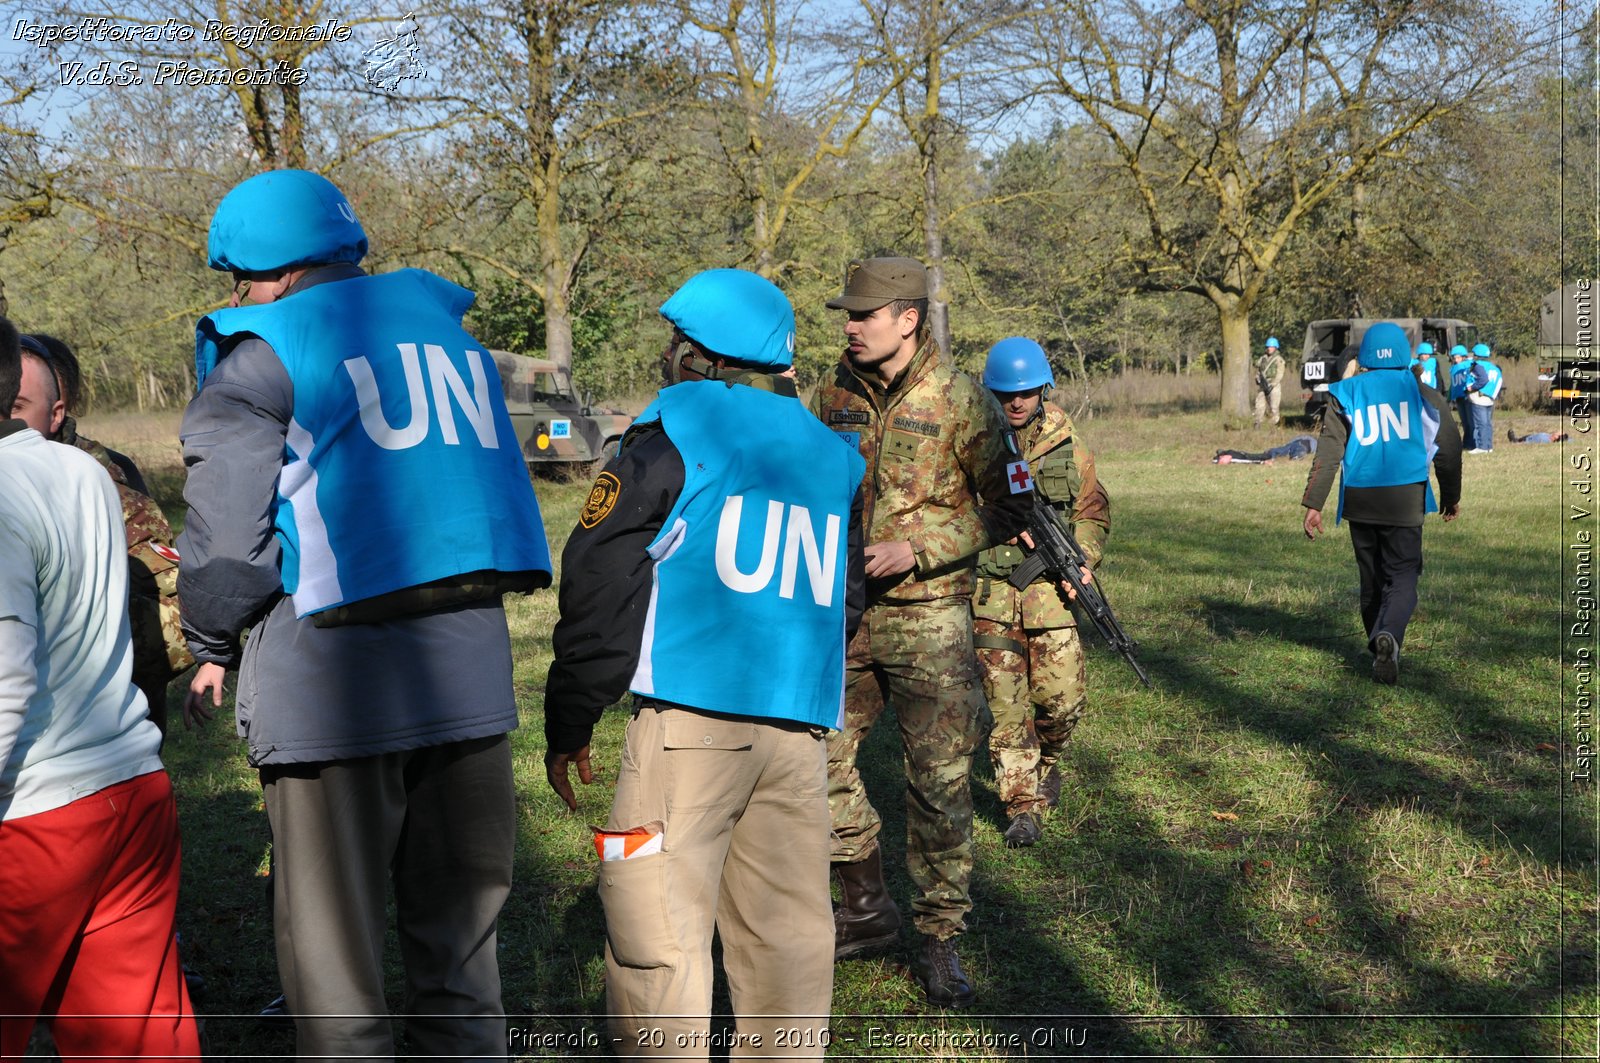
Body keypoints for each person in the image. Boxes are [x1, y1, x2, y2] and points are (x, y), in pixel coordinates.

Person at [178, 169, 552, 1059]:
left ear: (263, 274)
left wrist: (207, 640)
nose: (239, 299)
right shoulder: (449, 338)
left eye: (239, 281)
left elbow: (228, 544)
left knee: (335, 969)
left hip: (331, 694)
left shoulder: (261, 352)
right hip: (468, 681)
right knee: (462, 957)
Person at [544, 268, 866, 1060]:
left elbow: (598, 577)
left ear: (700, 355)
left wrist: (571, 714)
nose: (667, 354)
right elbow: (847, 598)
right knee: (789, 944)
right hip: (799, 736)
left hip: (687, 728)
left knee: (657, 943)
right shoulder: (837, 455)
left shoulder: (674, 430)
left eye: (676, 342)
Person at [809, 256, 1033, 1008]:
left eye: (862, 314)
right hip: (841, 611)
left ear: (908, 318)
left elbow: (1008, 509)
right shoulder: (831, 391)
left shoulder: (965, 400)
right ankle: (866, 901)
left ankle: (940, 939)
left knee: (938, 785)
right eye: (847, 313)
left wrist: (920, 546)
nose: (849, 325)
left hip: (930, 619)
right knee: (815, 758)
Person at [0, 315, 201, 1060]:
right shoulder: (81, 470)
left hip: (33, 812)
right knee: (135, 1039)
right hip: (128, 788)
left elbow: (6, 674)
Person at [9, 333, 191, 736]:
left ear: (58, 408)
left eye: (18, 404)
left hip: (104, 717)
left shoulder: (103, 479)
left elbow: (166, 603)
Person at [971, 338, 1109, 849]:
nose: (1016, 402)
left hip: (1052, 591)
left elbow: (1092, 510)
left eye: (1026, 392)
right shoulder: (972, 440)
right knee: (1006, 711)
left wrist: (1084, 559)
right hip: (989, 591)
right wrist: (1000, 525)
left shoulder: (1067, 441)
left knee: (1062, 701)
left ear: (1043, 388)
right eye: (1006, 393)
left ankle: (1047, 762)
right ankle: (1021, 807)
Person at [1302, 321, 1462, 685]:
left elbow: (1328, 454)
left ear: (1366, 356)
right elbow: (1449, 451)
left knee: (1370, 580)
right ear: (1404, 355)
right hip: (1406, 497)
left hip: (1360, 498)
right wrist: (1451, 496)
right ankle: (1388, 634)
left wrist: (1314, 504)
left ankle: (1379, 647)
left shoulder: (1344, 392)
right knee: (1403, 575)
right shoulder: (1424, 393)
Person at [1465, 342, 1502, 453]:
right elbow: (1499, 381)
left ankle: (1481, 447)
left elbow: (1483, 380)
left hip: (1479, 398)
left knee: (1480, 423)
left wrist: (1472, 388)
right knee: (1487, 423)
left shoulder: (1477, 365)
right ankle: (1488, 446)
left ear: (1476, 354)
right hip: (1489, 398)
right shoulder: (1494, 367)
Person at [1446, 344, 1485, 452]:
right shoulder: (1453, 369)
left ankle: (1474, 443)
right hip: (1459, 398)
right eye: (1454, 358)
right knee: (1464, 422)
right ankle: (1467, 443)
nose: (1456, 360)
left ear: (1463, 357)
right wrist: (1449, 397)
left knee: (1471, 421)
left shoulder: (1469, 365)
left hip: (1467, 397)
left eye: (1458, 357)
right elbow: (1452, 385)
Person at [1215, 434, 1318, 464]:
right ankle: (1296, 456)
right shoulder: (1307, 441)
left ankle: (1227, 452)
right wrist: (1269, 460)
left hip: (1297, 444)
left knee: (1251, 456)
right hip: (1299, 444)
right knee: (1252, 458)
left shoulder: (1311, 441)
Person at [1254, 336, 1285, 427]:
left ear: (1275, 347)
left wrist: (1273, 384)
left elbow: (1280, 374)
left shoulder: (1278, 359)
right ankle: (1257, 422)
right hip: (1263, 385)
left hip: (1273, 386)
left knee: (1274, 407)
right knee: (1259, 404)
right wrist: (1257, 378)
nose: (1269, 348)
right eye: (1268, 347)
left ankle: (1274, 425)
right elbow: (1259, 371)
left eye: (1271, 347)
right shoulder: (1262, 359)